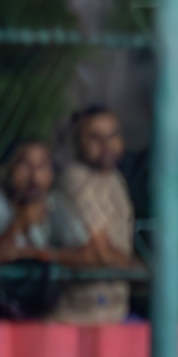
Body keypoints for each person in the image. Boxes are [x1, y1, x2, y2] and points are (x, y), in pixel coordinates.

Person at [0, 141, 98, 318]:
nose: (34, 175)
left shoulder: (56, 204)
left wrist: (33, 253)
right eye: (25, 165)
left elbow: (87, 255)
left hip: (50, 307)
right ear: (9, 169)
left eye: (42, 166)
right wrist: (20, 222)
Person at [58, 106, 138, 324]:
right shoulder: (75, 178)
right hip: (82, 315)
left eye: (112, 136)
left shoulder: (116, 180)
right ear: (78, 141)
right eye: (95, 137)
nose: (106, 144)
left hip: (116, 310)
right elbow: (101, 251)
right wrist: (146, 272)